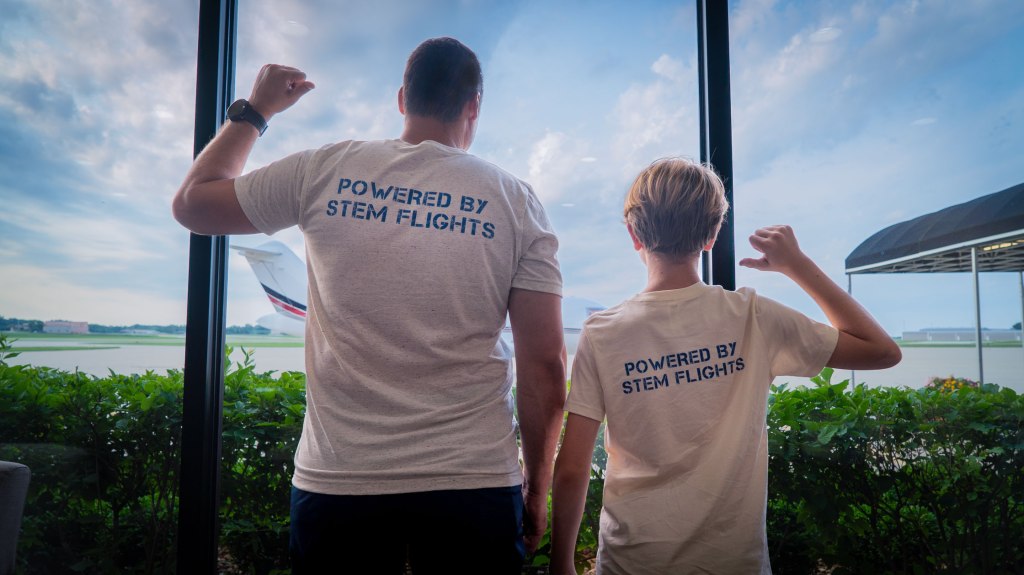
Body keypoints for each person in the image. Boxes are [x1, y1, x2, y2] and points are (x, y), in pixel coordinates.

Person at [172, 37, 566, 574]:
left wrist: (255, 112)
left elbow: (193, 205)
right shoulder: (516, 201)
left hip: (339, 481)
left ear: (402, 99)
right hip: (473, 482)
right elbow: (544, 365)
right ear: (474, 105)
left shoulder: (322, 169)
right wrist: (538, 487)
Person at [549, 158, 901, 574]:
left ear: (633, 234)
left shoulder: (602, 333)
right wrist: (797, 265)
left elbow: (572, 468)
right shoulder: (753, 316)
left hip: (633, 560)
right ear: (713, 235)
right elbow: (881, 351)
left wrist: (561, 565)